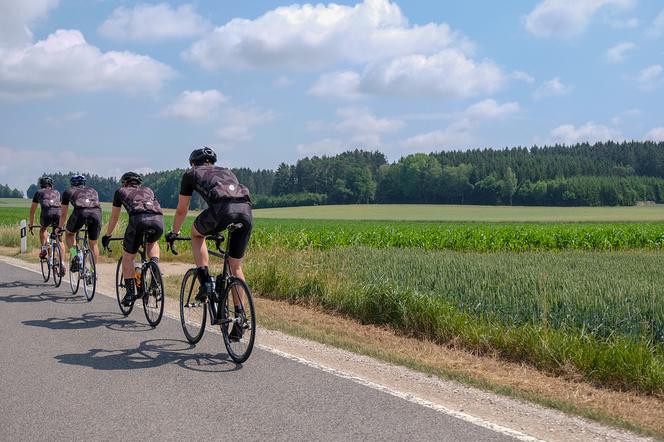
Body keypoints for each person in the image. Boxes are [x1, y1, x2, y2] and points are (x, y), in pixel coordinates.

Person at [166, 146, 253, 308]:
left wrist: (174, 232)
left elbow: (181, 209)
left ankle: (206, 281)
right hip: (246, 212)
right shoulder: (228, 172)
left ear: (193, 164)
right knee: (235, 266)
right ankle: (239, 319)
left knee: (197, 234)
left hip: (221, 212)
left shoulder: (190, 174)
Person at [101, 172, 164, 306]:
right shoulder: (149, 190)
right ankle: (154, 267)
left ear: (125, 183)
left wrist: (108, 235)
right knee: (152, 242)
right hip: (158, 221)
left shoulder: (120, 191)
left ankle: (130, 294)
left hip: (138, 221)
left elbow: (114, 218)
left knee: (128, 258)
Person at [58, 174, 102, 272]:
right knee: (93, 243)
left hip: (81, 212)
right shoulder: (93, 191)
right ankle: (92, 272)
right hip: (97, 213)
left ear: (72, 183)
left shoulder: (68, 191)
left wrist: (59, 227)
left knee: (69, 234)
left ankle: (75, 255)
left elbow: (63, 214)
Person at [28, 176, 64, 263]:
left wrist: (31, 224)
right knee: (59, 237)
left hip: (47, 213)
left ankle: (44, 249)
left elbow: (32, 211)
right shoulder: (57, 192)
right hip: (58, 213)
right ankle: (62, 263)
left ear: (41, 185)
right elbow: (62, 206)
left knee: (43, 229)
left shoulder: (38, 192)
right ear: (51, 184)